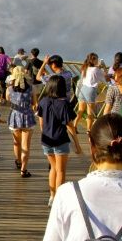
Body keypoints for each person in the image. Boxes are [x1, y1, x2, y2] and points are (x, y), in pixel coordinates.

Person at [37, 74, 82, 206]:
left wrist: (46, 133)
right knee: (61, 170)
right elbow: (70, 126)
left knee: (53, 168)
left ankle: (52, 197)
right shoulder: (64, 104)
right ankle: (58, 199)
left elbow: (41, 123)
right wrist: (77, 145)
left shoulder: (43, 101)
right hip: (60, 140)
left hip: (46, 140)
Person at [6, 65, 37, 177]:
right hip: (28, 117)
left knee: (16, 143)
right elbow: (34, 103)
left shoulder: (9, 88)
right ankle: (23, 170)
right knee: (25, 145)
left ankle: (18, 161)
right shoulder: (32, 87)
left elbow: (8, 99)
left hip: (15, 117)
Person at [73, 52, 107, 133]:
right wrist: (104, 67)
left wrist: (98, 67)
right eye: (97, 59)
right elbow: (106, 79)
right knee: (90, 113)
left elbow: (93, 71)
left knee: (80, 110)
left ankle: (74, 126)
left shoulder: (85, 67)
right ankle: (89, 130)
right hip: (90, 91)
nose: (98, 61)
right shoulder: (97, 70)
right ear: (94, 60)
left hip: (83, 89)